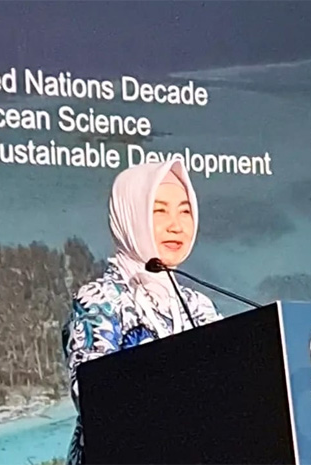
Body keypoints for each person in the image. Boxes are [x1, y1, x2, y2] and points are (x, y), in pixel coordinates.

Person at [61, 160, 223, 465]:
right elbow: (95, 398)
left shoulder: (198, 306)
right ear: (131, 216)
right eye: (159, 211)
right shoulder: (100, 301)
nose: (176, 225)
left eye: (185, 211)